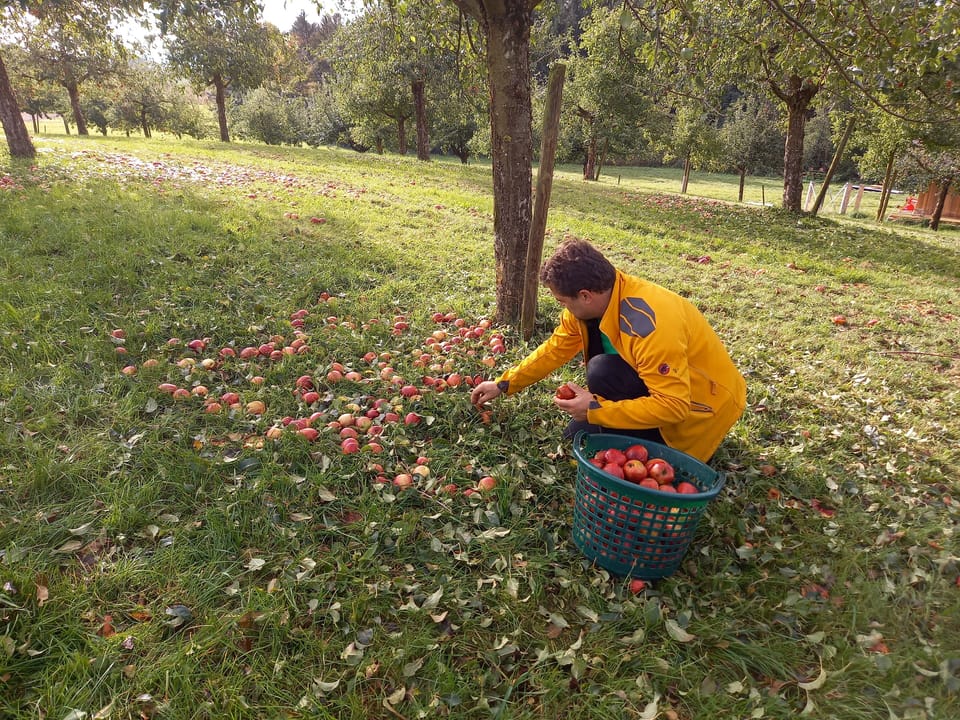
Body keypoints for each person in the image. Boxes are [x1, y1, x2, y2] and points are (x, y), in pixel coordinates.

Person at [470, 239, 746, 462]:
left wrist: (594, 409)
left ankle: (674, 444)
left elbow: (674, 406)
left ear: (586, 295)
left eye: (563, 302)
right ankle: (626, 426)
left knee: (601, 383)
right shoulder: (593, 303)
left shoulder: (650, 323)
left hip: (701, 409)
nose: (563, 308)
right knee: (580, 429)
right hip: (655, 388)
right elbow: (555, 349)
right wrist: (505, 384)